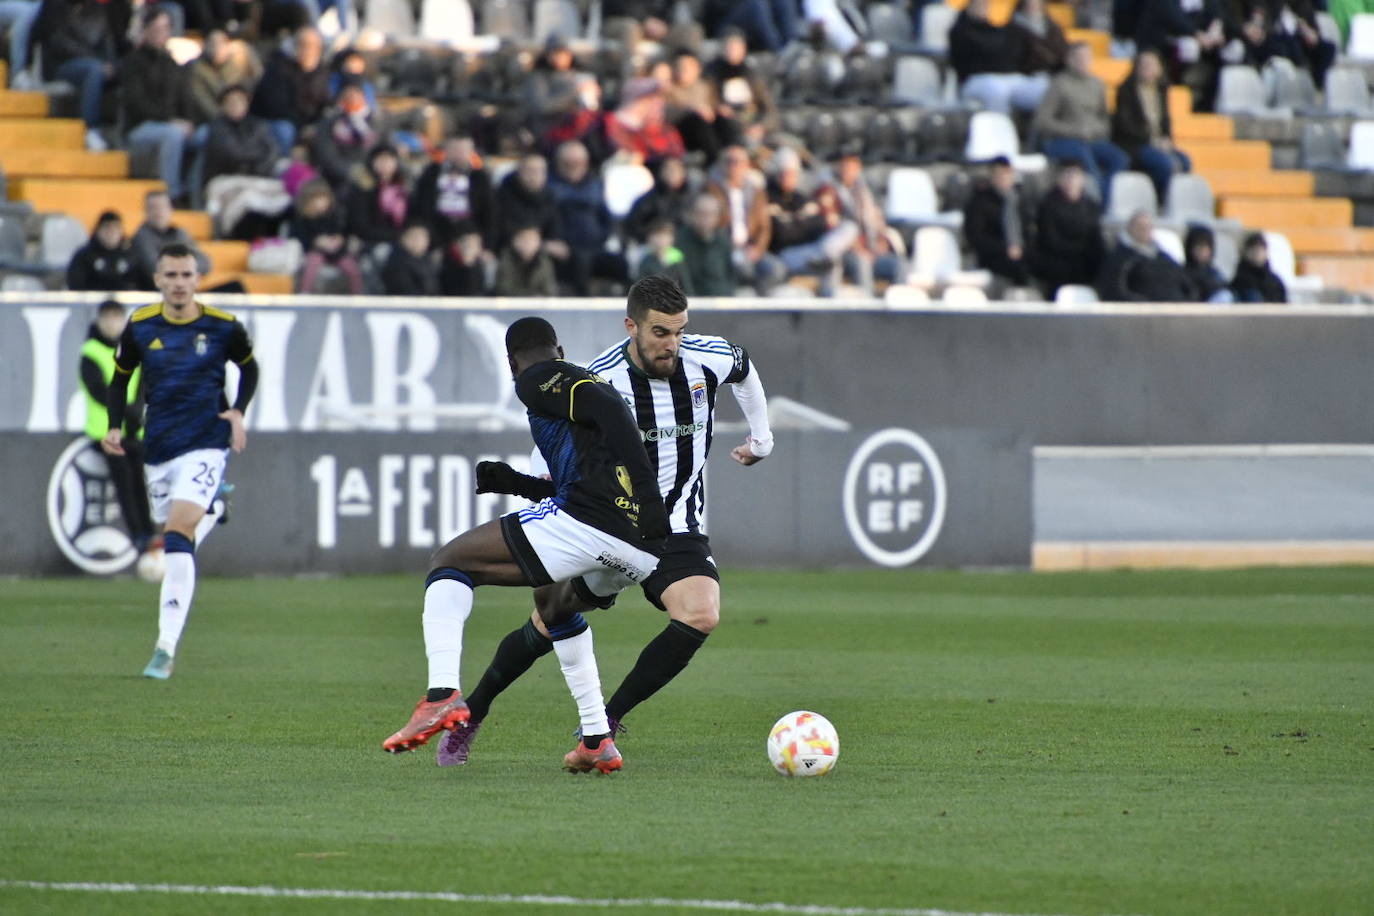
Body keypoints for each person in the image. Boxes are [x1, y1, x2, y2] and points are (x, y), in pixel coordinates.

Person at [437, 276, 773, 766]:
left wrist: (761, 438)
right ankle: (474, 711)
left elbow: (744, 369)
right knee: (549, 617)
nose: (672, 345)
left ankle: (603, 727)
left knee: (701, 612)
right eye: (660, 333)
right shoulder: (598, 381)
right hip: (605, 525)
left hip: (675, 526)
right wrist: (528, 484)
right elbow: (552, 460)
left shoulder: (710, 356)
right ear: (630, 326)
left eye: (679, 331)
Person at [381, 316, 669, 774]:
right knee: (553, 603)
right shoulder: (575, 393)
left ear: (513, 362)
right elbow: (586, 466)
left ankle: (441, 696)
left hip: (596, 522)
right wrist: (515, 483)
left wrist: (652, 497)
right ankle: (597, 738)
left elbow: (610, 413)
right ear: (558, 346)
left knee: (449, 562)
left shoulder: (539, 378)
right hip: (636, 548)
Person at [101, 242, 258, 679]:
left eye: (187, 275)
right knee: (176, 533)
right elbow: (120, 379)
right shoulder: (140, 326)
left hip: (208, 438)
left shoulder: (223, 326)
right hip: (159, 446)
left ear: (197, 279)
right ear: (158, 280)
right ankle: (216, 507)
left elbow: (250, 368)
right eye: (170, 275)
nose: (179, 283)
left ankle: (164, 648)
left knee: (175, 534)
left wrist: (237, 411)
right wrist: (115, 425)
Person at [80, 300, 156, 556]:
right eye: (108, 317)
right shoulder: (91, 352)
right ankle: (139, 535)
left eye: (117, 317)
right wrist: (127, 410)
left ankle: (148, 532)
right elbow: (98, 390)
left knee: (139, 481)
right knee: (124, 480)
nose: (112, 323)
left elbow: (145, 381)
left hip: (134, 431)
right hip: (106, 433)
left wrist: (139, 407)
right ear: (99, 321)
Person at [1034, 42, 1130, 202]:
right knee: (1085, 158)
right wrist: (1073, 130)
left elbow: (1105, 119)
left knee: (1120, 158)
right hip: (1062, 140)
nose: (1083, 61)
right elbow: (1042, 121)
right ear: (1069, 60)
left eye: (1087, 58)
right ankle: (1099, 201)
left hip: (1092, 140)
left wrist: (1094, 129)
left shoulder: (1097, 84)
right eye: (1079, 58)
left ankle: (1106, 196)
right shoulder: (1059, 84)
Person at [120, 8, 196, 205]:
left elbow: (184, 97)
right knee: (172, 135)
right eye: (157, 28)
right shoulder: (133, 62)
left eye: (165, 28)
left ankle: (198, 198)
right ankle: (171, 195)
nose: (162, 33)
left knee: (206, 136)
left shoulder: (171, 63)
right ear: (146, 30)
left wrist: (189, 122)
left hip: (172, 124)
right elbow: (137, 104)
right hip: (140, 127)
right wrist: (170, 121)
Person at [32, 0, 127, 150]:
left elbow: (106, 42)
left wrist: (111, 65)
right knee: (94, 70)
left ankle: (123, 135)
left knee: (123, 68)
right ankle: (90, 129)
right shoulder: (55, 5)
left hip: (93, 63)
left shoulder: (97, 10)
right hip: (62, 65)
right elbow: (59, 42)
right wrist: (97, 63)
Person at [766, 147, 859, 296]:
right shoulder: (768, 198)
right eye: (785, 173)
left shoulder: (800, 198)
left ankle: (830, 304)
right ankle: (826, 253)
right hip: (786, 254)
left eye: (792, 173)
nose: (789, 178)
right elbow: (782, 234)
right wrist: (803, 224)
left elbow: (820, 224)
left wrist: (796, 224)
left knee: (849, 229)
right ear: (776, 173)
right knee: (830, 258)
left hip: (813, 250)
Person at [1112, 49, 1193, 201]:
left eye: (1152, 65)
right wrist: (1151, 140)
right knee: (1164, 164)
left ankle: (1174, 200)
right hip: (1136, 144)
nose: (1149, 69)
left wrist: (1167, 139)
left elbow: (1166, 121)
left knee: (1185, 162)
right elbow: (1125, 124)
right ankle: (1159, 199)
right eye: (1145, 65)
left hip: (1159, 142)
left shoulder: (1161, 90)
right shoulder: (1126, 90)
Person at [548, 140, 626, 296]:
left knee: (622, 264)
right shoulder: (549, 187)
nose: (573, 166)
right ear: (558, 163)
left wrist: (604, 237)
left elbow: (606, 217)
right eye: (568, 163)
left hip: (596, 246)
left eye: (578, 162)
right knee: (581, 262)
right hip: (566, 250)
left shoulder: (596, 185)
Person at [949, 0, 1050, 115]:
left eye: (985, 5)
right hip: (977, 79)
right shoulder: (960, 30)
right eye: (978, 5)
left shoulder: (998, 30)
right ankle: (1001, 129)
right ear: (969, 7)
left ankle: (1040, 130)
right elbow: (961, 62)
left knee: (1042, 88)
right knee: (995, 90)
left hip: (1010, 77)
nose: (982, 8)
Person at [706, 145, 782, 294]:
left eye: (739, 161)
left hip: (750, 246)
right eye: (730, 161)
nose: (734, 165)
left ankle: (760, 305)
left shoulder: (756, 191)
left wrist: (758, 249)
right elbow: (710, 224)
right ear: (722, 164)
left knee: (776, 269)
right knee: (744, 269)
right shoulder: (712, 190)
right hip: (725, 247)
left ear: (747, 165)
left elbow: (764, 226)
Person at [250, 26, 329, 154]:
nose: (309, 50)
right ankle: (283, 168)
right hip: (271, 122)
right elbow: (277, 109)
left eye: (314, 46)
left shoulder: (322, 72)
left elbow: (325, 104)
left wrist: (317, 125)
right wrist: (303, 128)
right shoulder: (278, 68)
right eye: (304, 45)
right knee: (285, 129)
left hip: (305, 124)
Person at [1031, 160, 1104, 296]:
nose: (1071, 181)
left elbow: (1095, 236)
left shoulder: (1091, 205)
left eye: (1075, 176)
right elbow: (1050, 241)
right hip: (1058, 259)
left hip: (1085, 258)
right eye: (1067, 176)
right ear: (1059, 179)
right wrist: (1080, 249)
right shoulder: (1048, 205)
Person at [1096, 209, 1198, 301]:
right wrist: (1144, 305)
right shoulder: (1120, 258)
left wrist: (1188, 302)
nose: (1144, 231)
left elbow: (1187, 283)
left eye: (1148, 227)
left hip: (1178, 310)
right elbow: (1113, 290)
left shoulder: (1164, 256)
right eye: (1140, 227)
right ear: (1130, 229)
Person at [412, 134, 493, 249]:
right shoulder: (431, 173)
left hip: (470, 232)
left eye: (463, 150)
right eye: (454, 149)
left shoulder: (480, 176)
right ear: (446, 151)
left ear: (471, 152)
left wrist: (488, 246)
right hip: (436, 230)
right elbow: (421, 206)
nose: (459, 154)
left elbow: (490, 212)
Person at [963, 156, 1031, 286]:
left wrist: (1021, 248)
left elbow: (1028, 229)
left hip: (1021, 251)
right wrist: (1006, 248)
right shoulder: (979, 202)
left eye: (1006, 174)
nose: (1003, 178)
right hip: (993, 255)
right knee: (1019, 269)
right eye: (998, 174)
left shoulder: (1020, 199)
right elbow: (976, 237)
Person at [604, 77, 686, 167]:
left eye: (660, 98)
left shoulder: (666, 130)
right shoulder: (611, 125)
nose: (659, 103)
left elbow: (676, 155)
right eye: (651, 98)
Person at [131, 190, 212, 281]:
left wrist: (180, 270)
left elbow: (205, 263)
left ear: (170, 209)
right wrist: (186, 269)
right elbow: (154, 268)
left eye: (162, 207)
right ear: (146, 211)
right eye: (153, 207)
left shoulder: (179, 233)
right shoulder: (141, 237)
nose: (159, 212)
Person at [343, 144, 410, 253]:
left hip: (400, 238)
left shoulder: (403, 187)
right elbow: (360, 225)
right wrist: (397, 235)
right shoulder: (363, 187)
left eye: (389, 159)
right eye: (380, 159)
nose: (385, 164)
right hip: (370, 241)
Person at [675, 191, 736, 297]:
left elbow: (731, 275)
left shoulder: (723, 242)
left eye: (711, 214)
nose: (706, 219)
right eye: (701, 213)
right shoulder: (679, 241)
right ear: (692, 215)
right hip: (690, 302)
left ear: (717, 217)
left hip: (720, 301)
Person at [67, 211, 146, 291]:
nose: (111, 232)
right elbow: (75, 285)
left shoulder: (132, 255)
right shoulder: (84, 255)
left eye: (116, 228)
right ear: (98, 230)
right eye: (107, 227)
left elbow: (145, 283)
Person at [624, 155, 692, 245]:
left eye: (676, 169)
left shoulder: (692, 198)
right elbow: (634, 226)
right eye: (668, 169)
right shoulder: (648, 200)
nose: (672, 173)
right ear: (661, 172)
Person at [493, 224, 560, 297]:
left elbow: (550, 289)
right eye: (524, 239)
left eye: (532, 239)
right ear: (515, 241)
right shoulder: (506, 259)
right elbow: (503, 289)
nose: (528, 243)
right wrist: (531, 296)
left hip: (538, 305)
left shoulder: (544, 261)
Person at [381, 221, 439, 296]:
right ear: (403, 239)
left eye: (423, 237)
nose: (419, 241)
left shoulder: (427, 261)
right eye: (415, 237)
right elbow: (406, 292)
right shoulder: (397, 263)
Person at [1183, 224, 1235, 303]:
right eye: (1198, 246)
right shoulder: (1183, 273)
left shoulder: (1215, 274)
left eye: (1206, 247)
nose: (1202, 251)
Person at [1231, 232, 1288, 302]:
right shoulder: (1239, 281)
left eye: (1261, 248)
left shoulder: (1275, 282)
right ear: (1245, 252)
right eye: (1253, 248)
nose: (1257, 252)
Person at [636, 219, 687, 287]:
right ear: (649, 238)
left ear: (672, 239)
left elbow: (686, 285)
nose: (660, 240)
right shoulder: (646, 261)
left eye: (664, 236)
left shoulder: (678, 260)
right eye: (657, 236)